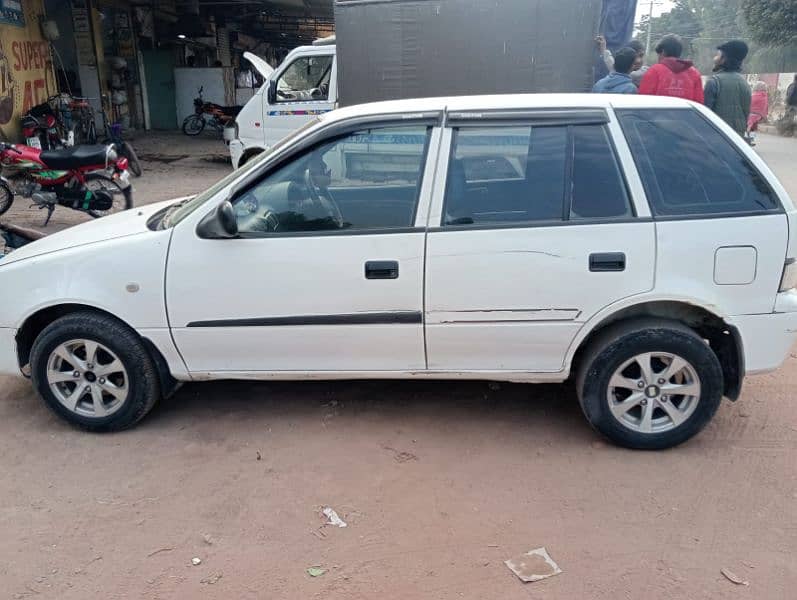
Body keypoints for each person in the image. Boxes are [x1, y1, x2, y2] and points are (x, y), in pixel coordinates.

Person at [704, 40, 751, 137]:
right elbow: (745, 114)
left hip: (716, 137)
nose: (714, 58)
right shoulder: (745, 84)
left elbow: (705, 116)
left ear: (724, 59)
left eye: (718, 55)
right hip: (736, 140)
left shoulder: (713, 82)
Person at [638, 34, 703, 102]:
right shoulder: (694, 74)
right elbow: (699, 104)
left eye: (658, 55)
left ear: (662, 52)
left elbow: (643, 101)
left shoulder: (654, 71)